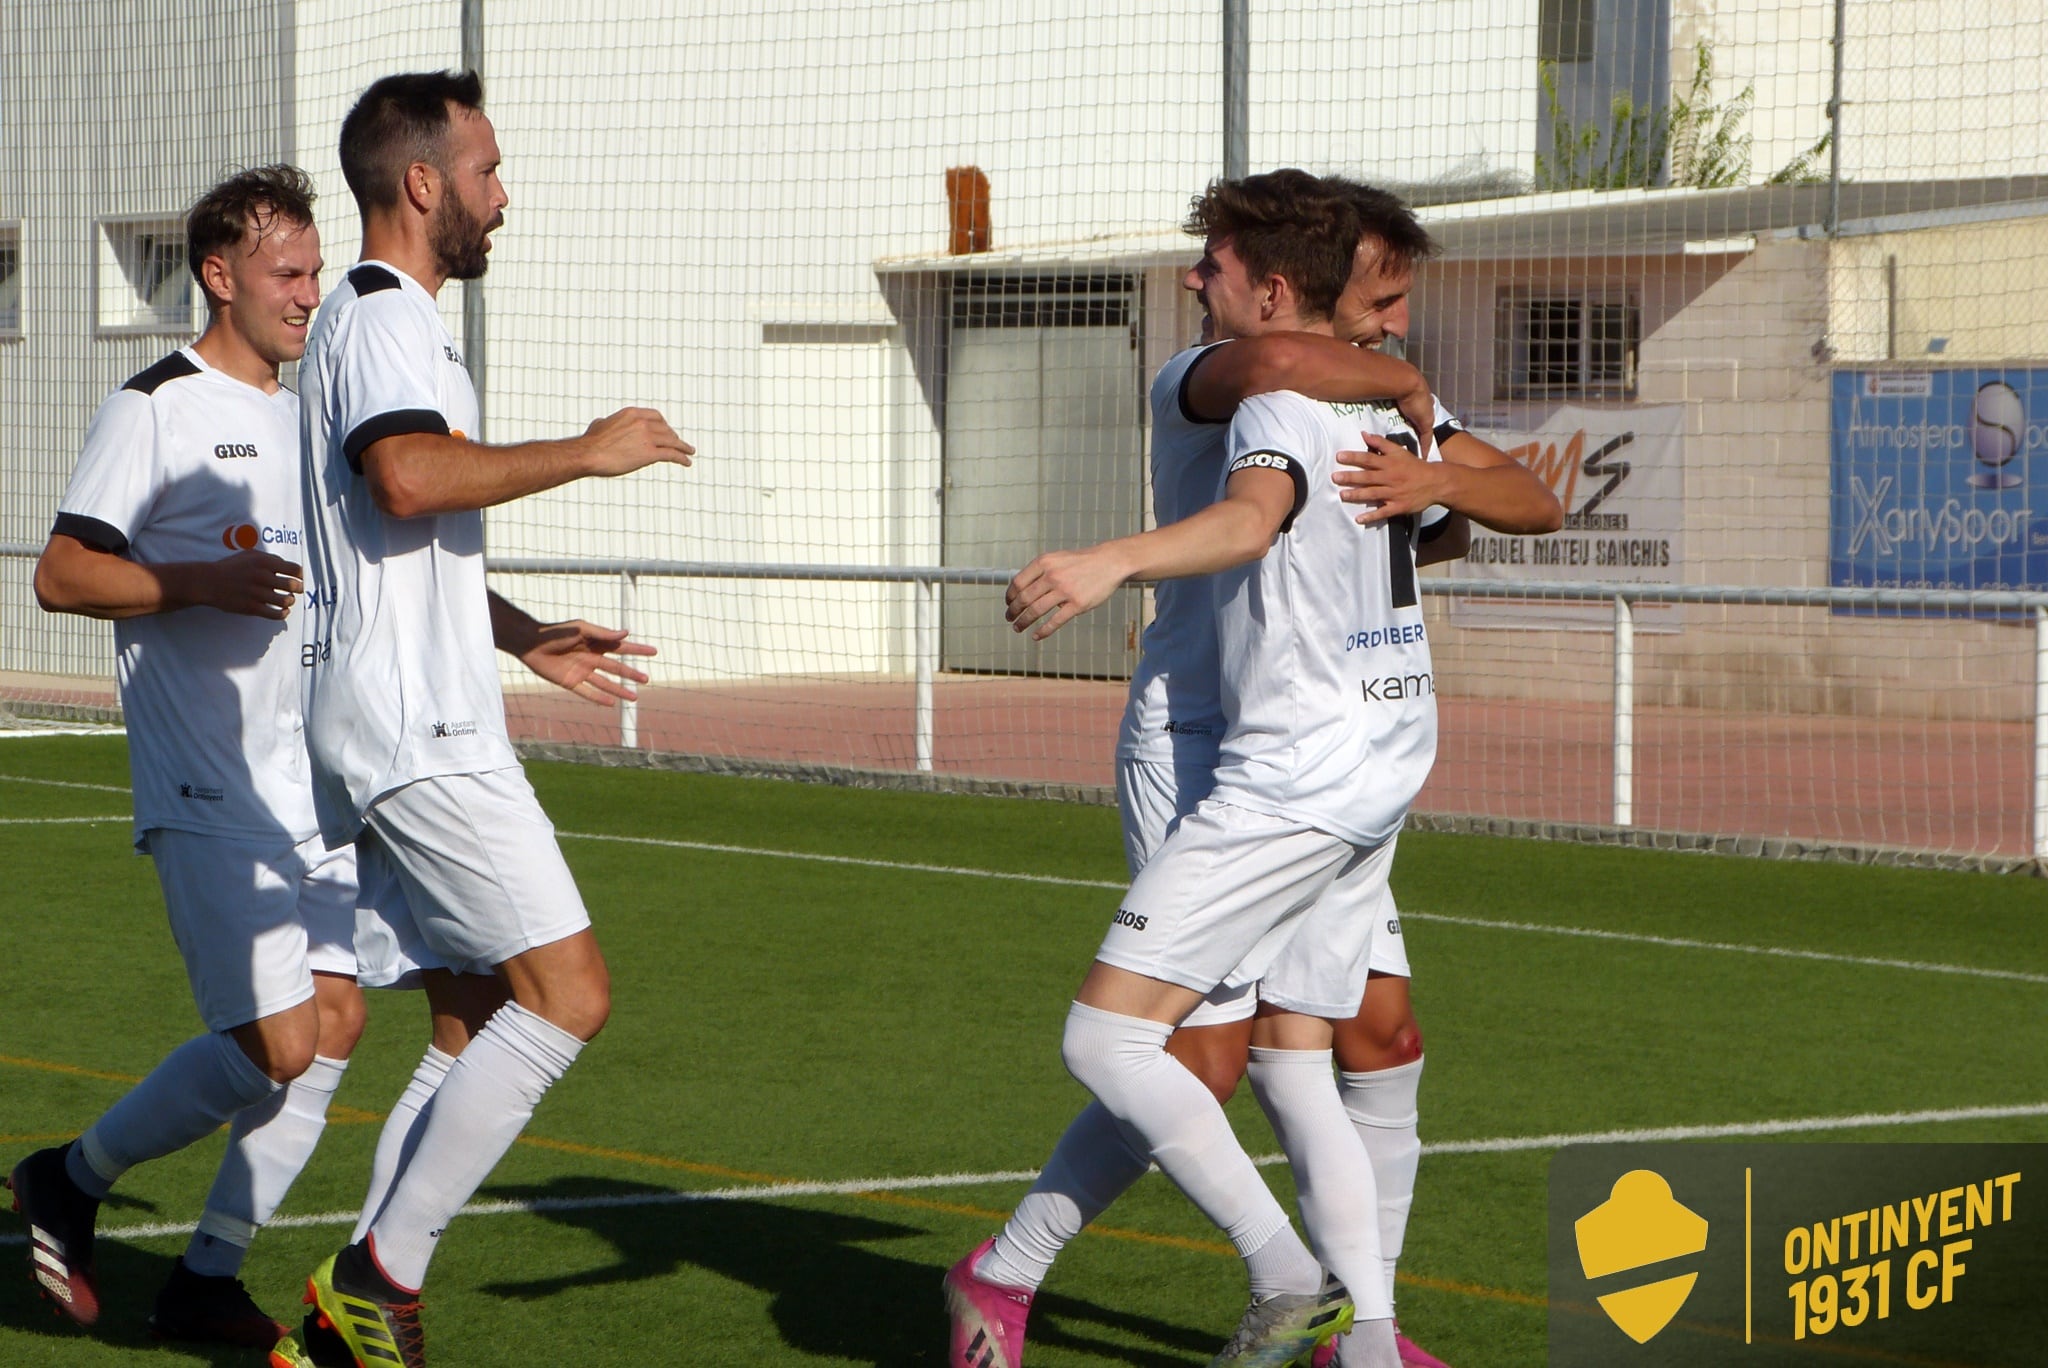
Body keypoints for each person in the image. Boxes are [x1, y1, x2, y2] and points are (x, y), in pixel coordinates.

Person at [945, 174, 1558, 1368]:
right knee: (1219, 1056)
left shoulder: (1359, 392)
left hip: (1317, 761)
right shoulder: (1225, 378)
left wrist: (1431, 464)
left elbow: (1516, 497)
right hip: (1209, 746)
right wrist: (1404, 394)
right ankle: (1015, 1274)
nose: (1189, 279)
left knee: (1354, 1038)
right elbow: (1261, 476)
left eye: (1210, 264)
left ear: (1274, 284)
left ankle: (1352, 1328)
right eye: (1380, 299)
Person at [289, 68, 691, 1368]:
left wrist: (521, 634)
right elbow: (407, 477)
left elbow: (395, 519)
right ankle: (374, 1280)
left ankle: (344, 1316)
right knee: (566, 997)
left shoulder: (383, 327)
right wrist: (583, 449)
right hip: (420, 735)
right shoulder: (385, 316)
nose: (501, 196)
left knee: (468, 1022)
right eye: (487, 170)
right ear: (422, 183)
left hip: (406, 716)